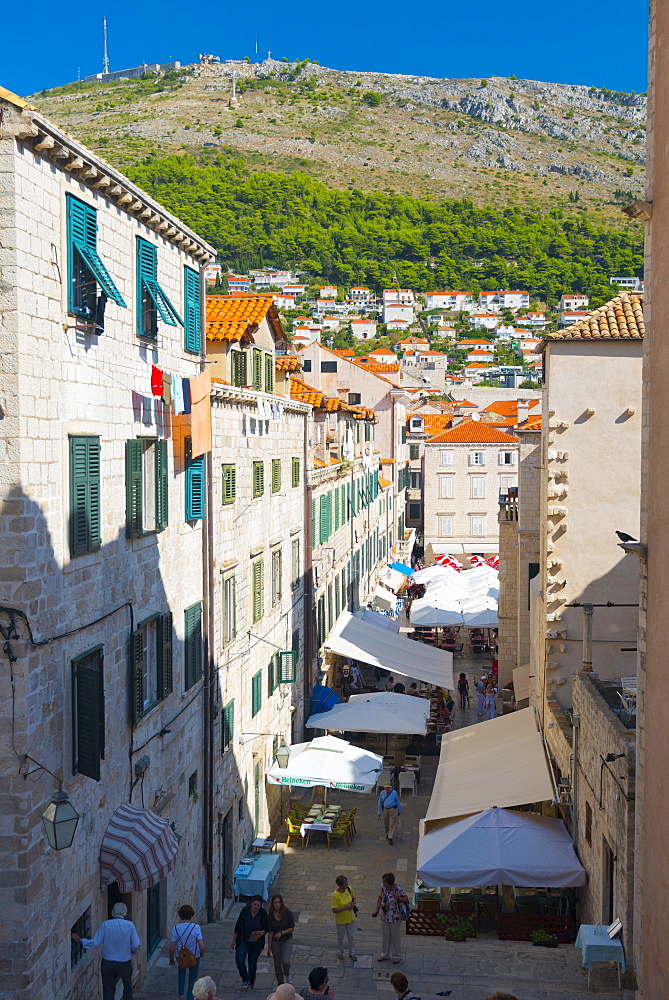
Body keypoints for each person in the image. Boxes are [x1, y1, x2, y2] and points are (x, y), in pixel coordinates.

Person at [71, 901, 140, 1000]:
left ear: (113, 912)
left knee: (108, 990)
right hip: (124, 963)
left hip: (108, 963)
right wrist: (131, 952)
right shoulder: (130, 925)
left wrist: (81, 941)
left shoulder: (106, 925)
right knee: (128, 987)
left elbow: (96, 943)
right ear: (125, 912)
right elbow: (136, 944)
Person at [231, 894, 269, 989]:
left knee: (252, 961)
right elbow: (238, 925)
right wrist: (234, 940)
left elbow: (266, 927)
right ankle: (245, 978)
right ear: (251, 903)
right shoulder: (245, 911)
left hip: (256, 942)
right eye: (255, 904)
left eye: (258, 905)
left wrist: (261, 932)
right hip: (243, 939)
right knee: (239, 959)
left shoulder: (263, 913)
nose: (256, 907)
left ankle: (251, 982)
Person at [169, 904, 205, 1000]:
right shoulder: (196, 927)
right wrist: (201, 953)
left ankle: (181, 995)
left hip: (180, 955)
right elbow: (201, 945)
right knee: (193, 977)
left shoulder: (175, 928)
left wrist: (171, 959)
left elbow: (172, 947)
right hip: (194, 955)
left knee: (181, 972)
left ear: (180, 915)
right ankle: (190, 997)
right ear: (191, 915)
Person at [373, 872, 408, 964]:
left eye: (384, 881)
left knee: (394, 936)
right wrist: (377, 909)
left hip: (395, 916)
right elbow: (380, 897)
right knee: (385, 935)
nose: (382, 882)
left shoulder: (398, 889)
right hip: (385, 915)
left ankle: (396, 955)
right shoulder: (382, 887)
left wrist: (398, 898)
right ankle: (385, 954)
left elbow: (406, 899)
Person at [267, 892, 295, 985]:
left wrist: (281, 933)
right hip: (276, 942)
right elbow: (270, 932)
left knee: (285, 961)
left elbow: (292, 927)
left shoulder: (287, 912)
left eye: (278, 902)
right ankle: (280, 983)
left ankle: (287, 974)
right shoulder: (270, 915)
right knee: (277, 963)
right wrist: (269, 948)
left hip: (287, 939)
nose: (277, 904)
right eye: (275, 902)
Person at [331, 875, 357, 961]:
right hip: (341, 919)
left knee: (351, 936)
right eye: (345, 883)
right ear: (340, 885)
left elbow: (353, 898)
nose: (347, 884)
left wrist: (353, 904)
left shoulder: (349, 889)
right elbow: (334, 909)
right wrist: (345, 908)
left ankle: (351, 952)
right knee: (340, 936)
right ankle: (340, 952)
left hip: (350, 917)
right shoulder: (335, 895)